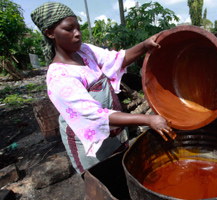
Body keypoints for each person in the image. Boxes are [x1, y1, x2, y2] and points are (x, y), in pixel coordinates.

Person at [31, 2, 175, 174]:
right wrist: (149, 119)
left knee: (123, 173)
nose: (77, 34)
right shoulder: (59, 77)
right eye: (69, 29)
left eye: (78, 27)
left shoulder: (84, 51)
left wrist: (145, 45)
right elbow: (94, 117)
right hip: (90, 142)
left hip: (113, 131)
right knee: (102, 182)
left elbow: (115, 60)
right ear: (50, 33)